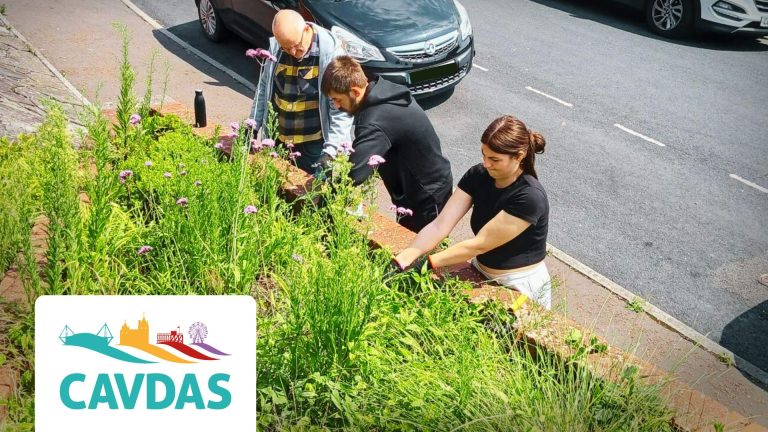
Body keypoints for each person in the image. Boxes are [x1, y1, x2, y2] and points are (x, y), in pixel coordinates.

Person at [392, 115, 552, 309]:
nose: (486, 164)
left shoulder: (529, 197)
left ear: (519, 156)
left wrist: (428, 262)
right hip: (481, 269)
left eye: (494, 159)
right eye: (483, 155)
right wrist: (407, 256)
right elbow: (440, 225)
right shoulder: (478, 175)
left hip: (518, 283)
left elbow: (479, 245)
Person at [320, 55, 453, 232]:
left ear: (355, 91)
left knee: (420, 248)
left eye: (338, 99)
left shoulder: (376, 120)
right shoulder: (383, 91)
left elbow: (354, 173)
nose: (336, 106)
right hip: (418, 186)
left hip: (426, 195)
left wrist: (320, 201)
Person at [249, 10, 352, 175]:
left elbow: (342, 110)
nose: (292, 52)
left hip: (314, 146)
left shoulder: (332, 56)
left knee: (313, 197)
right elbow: (264, 89)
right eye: (286, 47)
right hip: (279, 142)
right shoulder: (276, 48)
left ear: (306, 29)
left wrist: (331, 151)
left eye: (296, 46)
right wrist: (252, 125)